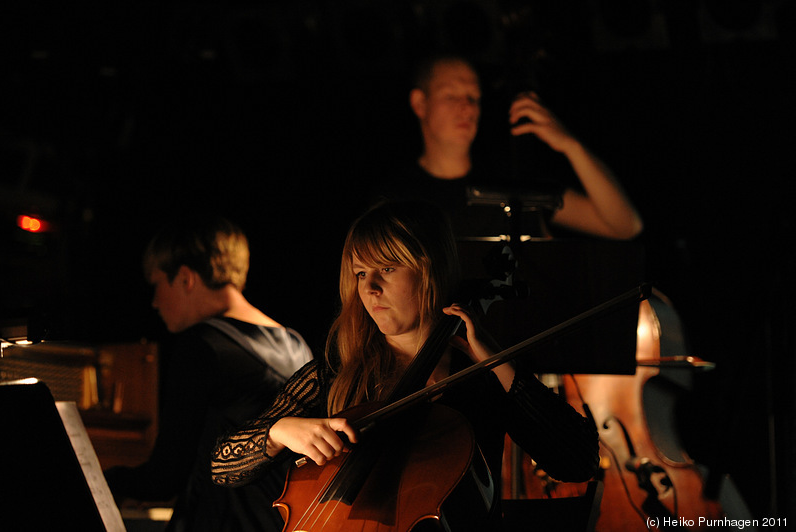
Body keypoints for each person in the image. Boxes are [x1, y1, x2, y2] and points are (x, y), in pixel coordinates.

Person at [210, 200, 599, 530]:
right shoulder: (337, 371)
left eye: (387, 269)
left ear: (430, 268)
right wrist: (280, 431)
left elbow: (577, 460)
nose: (369, 288)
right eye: (361, 273)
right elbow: (223, 466)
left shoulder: (482, 377)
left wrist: (497, 360)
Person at [104, 216, 313, 532]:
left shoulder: (201, 344)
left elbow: (164, 479)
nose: (155, 302)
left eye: (157, 284)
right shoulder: (296, 343)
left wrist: (99, 477)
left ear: (186, 278)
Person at [375, 53, 643, 241]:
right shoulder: (397, 199)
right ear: (420, 103)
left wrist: (571, 146)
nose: (466, 107)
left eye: (473, 97)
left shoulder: (513, 179)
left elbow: (625, 226)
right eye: (451, 95)